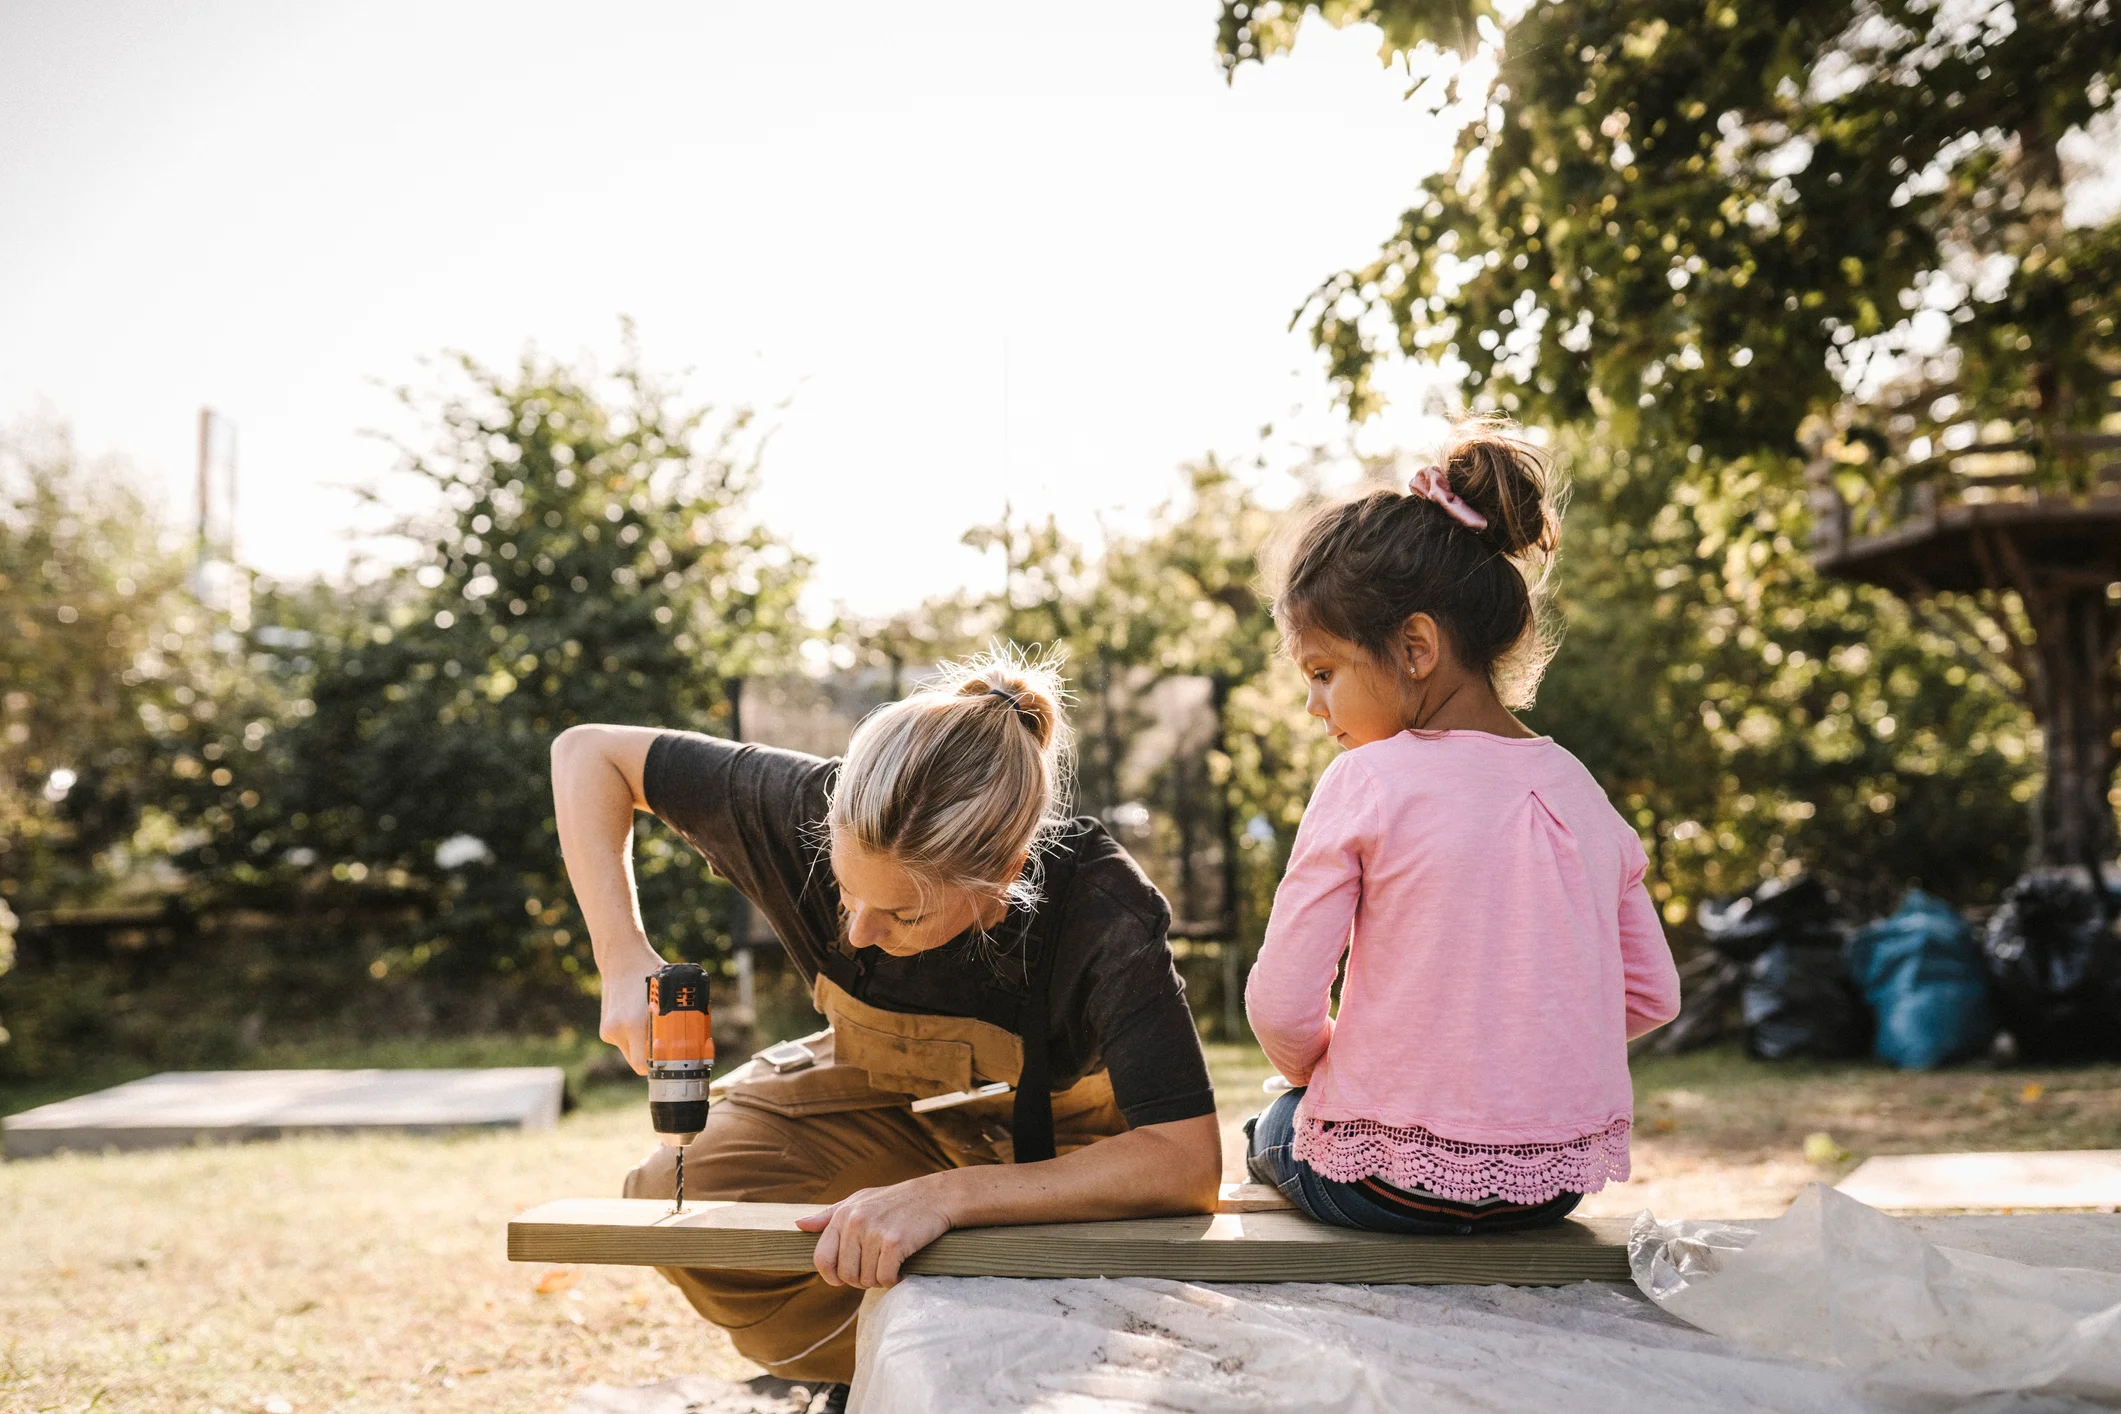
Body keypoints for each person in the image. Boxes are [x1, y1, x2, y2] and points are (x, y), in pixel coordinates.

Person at [550, 649, 1220, 1390]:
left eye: (903, 911)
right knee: (670, 1195)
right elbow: (587, 753)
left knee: (1072, 1317)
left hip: (1061, 1145)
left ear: (1004, 869)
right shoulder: (797, 803)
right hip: (884, 1094)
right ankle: (879, 1371)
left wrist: (948, 1198)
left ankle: (991, 1361)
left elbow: (1183, 1162)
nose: (861, 932)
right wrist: (620, 955)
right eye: (844, 890)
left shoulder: (1103, 910)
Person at [1244, 422, 1682, 1235]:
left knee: (1271, 1129)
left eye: (1321, 672)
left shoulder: (1366, 782)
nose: (1314, 707)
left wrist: (1329, 1077)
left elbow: (1280, 1004)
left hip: (1380, 1184)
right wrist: (1526, 1052)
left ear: (1414, 647)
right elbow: (1654, 993)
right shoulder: (1583, 795)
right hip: (1548, 1189)